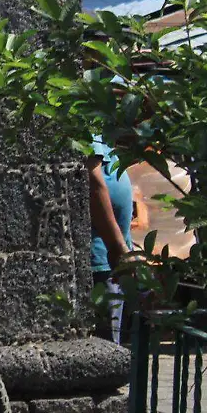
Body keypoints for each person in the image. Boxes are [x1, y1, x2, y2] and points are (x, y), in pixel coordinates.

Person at [89, 134, 135, 344]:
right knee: (105, 345)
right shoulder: (87, 128)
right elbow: (93, 184)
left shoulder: (105, 138)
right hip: (102, 261)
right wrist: (117, 248)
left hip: (111, 263)